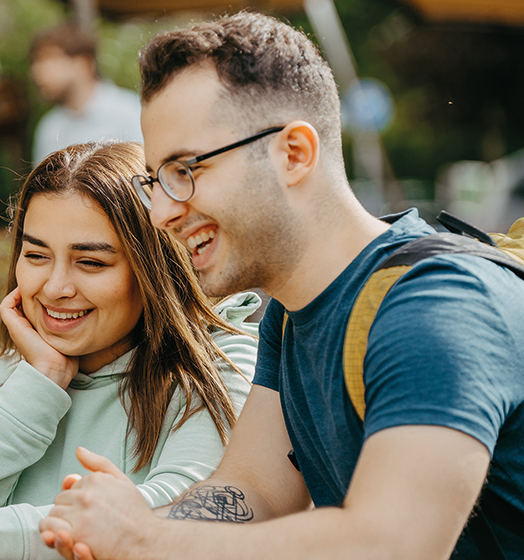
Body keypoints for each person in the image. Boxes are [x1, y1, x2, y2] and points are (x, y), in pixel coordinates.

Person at [38, 11, 524, 560]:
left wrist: (147, 537)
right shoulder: (291, 315)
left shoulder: (437, 303)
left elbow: (392, 542)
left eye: (185, 171)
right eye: (156, 181)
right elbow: (255, 493)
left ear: (294, 153)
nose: (160, 214)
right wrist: (116, 525)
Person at [0, 140, 260, 560]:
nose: (55, 288)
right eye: (37, 255)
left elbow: (178, 513)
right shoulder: (5, 377)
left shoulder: (220, 365)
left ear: (152, 269)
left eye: (91, 263)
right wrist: (41, 382)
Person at [29, 24, 143, 165]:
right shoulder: (49, 128)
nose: (37, 71)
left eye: (49, 58)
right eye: (36, 62)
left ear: (83, 63)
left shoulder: (129, 111)